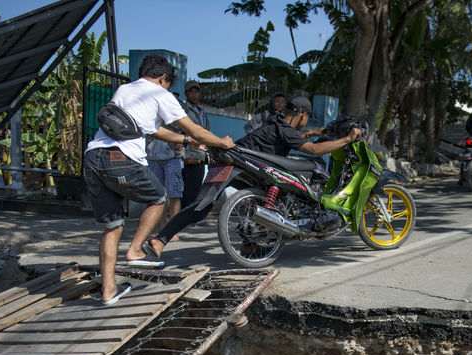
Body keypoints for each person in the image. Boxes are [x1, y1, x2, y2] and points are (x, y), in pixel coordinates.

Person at [83, 53, 234, 305]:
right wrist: (221, 142)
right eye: (168, 83)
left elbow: (153, 130)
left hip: (93, 158)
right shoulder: (161, 94)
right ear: (163, 78)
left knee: (112, 226)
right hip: (121, 158)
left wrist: (187, 141)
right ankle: (135, 250)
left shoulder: (125, 89)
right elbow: (194, 128)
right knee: (158, 198)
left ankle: (109, 291)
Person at [144, 95, 360, 261]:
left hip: (237, 162)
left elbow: (295, 138)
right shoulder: (284, 129)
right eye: (306, 119)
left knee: (211, 207)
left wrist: (313, 133)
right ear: (302, 115)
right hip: (242, 164)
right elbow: (313, 150)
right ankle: (159, 240)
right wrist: (347, 139)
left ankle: (249, 244)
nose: (306, 122)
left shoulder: (275, 122)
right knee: (201, 208)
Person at [145, 135, 183, 240]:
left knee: (174, 193)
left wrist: (182, 141)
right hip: (152, 157)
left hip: (173, 156)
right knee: (157, 195)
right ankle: (162, 230)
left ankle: (172, 231)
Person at [181, 80, 208, 208]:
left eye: (196, 92)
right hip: (189, 155)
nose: (194, 94)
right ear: (186, 94)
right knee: (189, 189)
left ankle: (191, 215)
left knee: (197, 186)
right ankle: (186, 216)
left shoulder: (202, 112)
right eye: (191, 92)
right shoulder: (183, 110)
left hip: (201, 155)